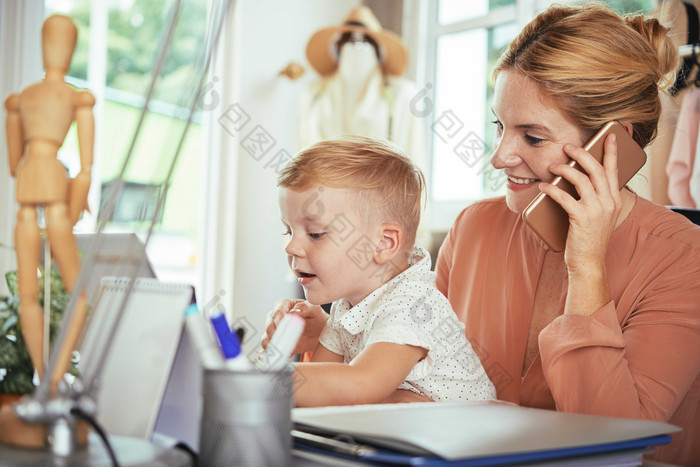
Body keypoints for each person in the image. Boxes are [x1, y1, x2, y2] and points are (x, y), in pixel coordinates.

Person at [265, 4, 700, 465]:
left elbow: (618, 442)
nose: (499, 156)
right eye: (500, 127)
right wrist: (327, 339)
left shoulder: (682, 258)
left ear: (612, 144)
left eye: (532, 137)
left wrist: (587, 266)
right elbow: (416, 382)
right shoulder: (476, 228)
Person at [275, 136, 495, 407]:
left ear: (384, 243)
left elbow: (360, 385)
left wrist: (258, 381)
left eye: (316, 234)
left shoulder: (413, 305)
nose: (292, 247)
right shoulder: (346, 305)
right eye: (288, 230)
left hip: (470, 441)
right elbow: (321, 394)